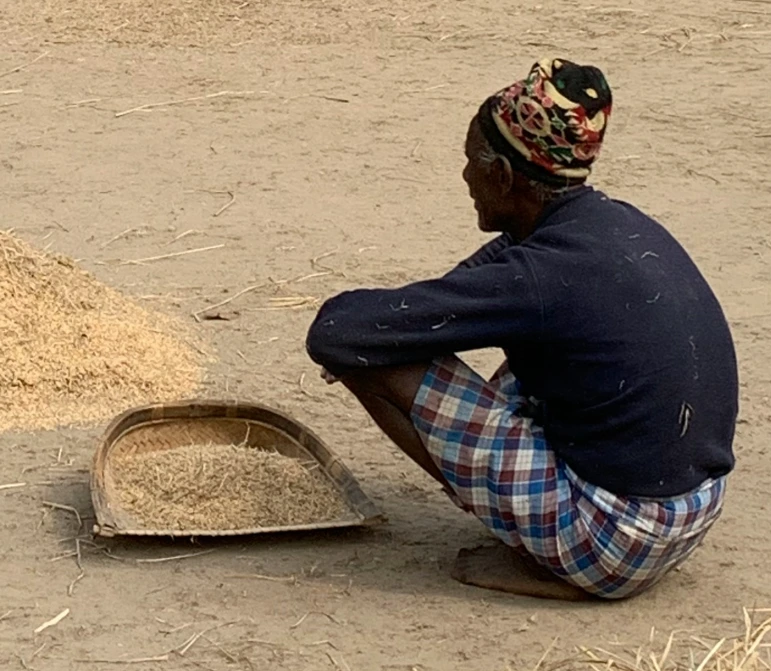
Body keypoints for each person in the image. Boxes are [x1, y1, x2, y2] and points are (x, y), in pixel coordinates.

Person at [307, 59, 737, 601]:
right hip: (692, 511)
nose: (465, 178)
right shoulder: (610, 224)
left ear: (504, 177)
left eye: (471, 163)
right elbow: (470, 287)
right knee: (531, 347)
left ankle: (542, 557)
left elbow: (338, 331)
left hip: (619, 542)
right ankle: (536, 523)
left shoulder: (540, 275)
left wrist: (408, 326)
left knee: (373, 357)